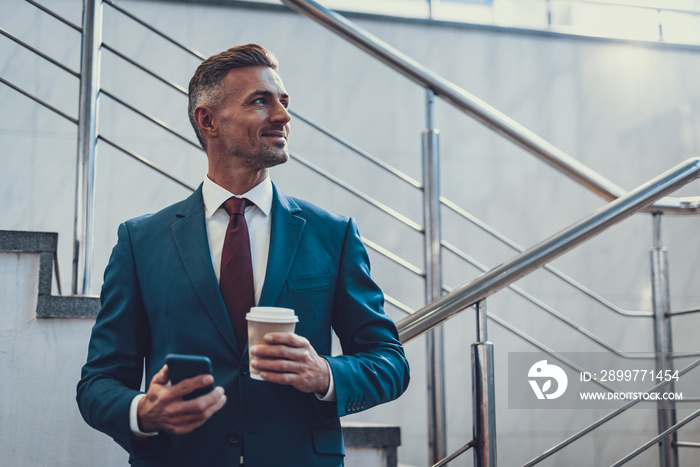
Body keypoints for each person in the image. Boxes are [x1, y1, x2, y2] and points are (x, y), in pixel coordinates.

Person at [76, 43, 410, 467]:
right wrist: (143, 411)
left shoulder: (333, 234)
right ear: (208, 120)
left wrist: (325, 373)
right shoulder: (140, 241)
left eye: (284, 102)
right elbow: (98, 382)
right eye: (260, 101)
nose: (282, 116)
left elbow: (389, 363)